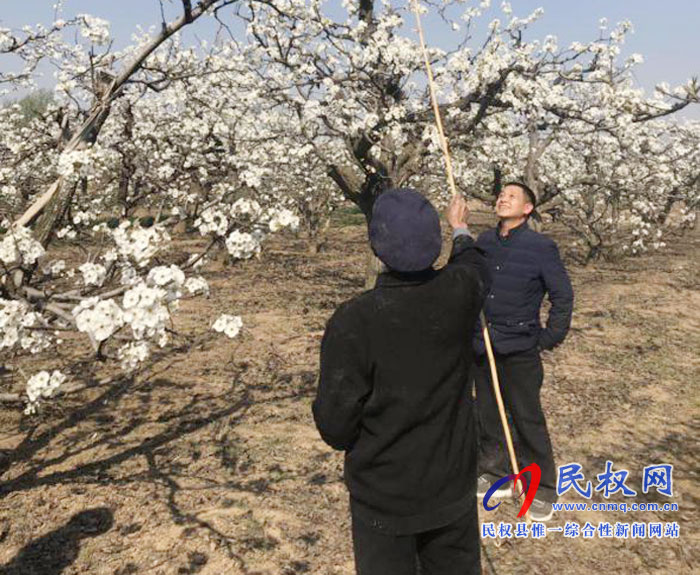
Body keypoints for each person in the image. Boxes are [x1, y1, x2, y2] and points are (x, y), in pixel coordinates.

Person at [312, 188, 489, 575]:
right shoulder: (460, 293)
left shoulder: (355, 320)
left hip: (385, 495)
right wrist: (459, 228)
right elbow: (476, 265)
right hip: (451, 486)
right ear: (435, 242)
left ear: (376, 246)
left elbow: (335, 424)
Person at [458, 182, 574, 522]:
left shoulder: (540, 247)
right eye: (500, 194)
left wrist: (548, 337)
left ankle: (543, 487)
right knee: (489, 413)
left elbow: (562, 296)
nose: (502, 198)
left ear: (527, 209)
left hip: (521, 346)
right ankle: (495, 472)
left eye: (512, 196)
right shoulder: (484, 242)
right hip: (483, 343)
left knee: (527, 417)